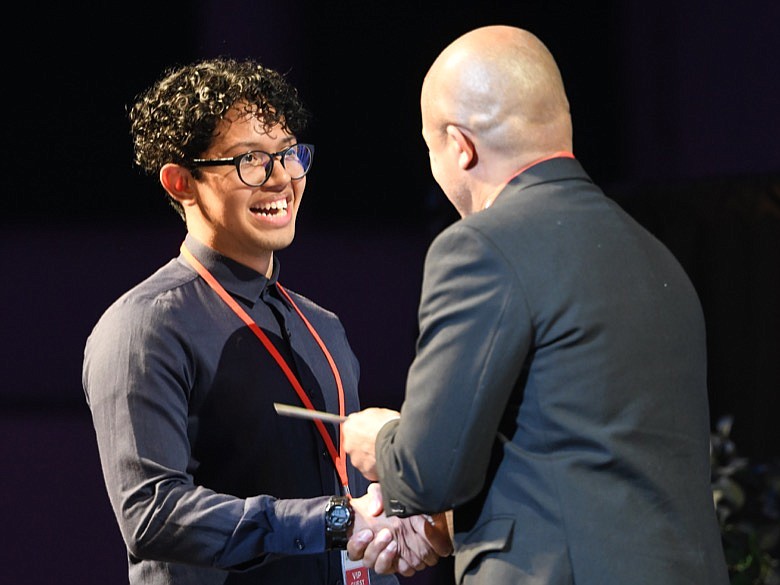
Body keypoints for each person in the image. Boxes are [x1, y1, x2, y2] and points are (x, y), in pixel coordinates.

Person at [342, 25, 730, 585]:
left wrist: (380, 441)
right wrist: (448, 529)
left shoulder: (480, 247)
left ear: (460, 145)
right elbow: (587, 461)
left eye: (431, 150)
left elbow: (428, 472)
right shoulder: (655, 256)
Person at [82, 57, 450, 585]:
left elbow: (344, 503)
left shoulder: (324, 326)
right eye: (249, 159)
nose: (281, 178)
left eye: (288, 154)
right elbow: (153, 514)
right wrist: (334, 519)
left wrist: (392, 522)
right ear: (181, 181)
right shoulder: (144, 329)